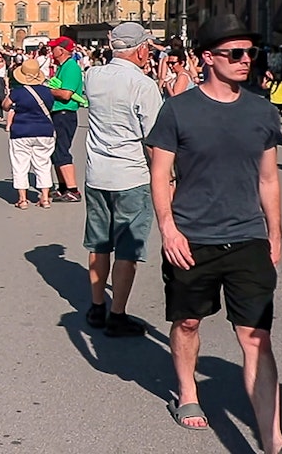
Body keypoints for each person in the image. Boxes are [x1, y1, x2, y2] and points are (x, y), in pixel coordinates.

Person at [147, 14, 282, 453]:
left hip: (247, 238)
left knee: (256, 336)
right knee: (188, 320)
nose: (244, 61)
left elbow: (268, 178)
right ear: (207, 58)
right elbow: (160, 175)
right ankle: (189, 392)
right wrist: (168, 229)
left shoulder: (261, 110)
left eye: (249, 53)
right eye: (234, 53)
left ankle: (275, 441)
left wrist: (275, 233)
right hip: (192, 237)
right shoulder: (178, 109)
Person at [81, 22, 164, 338]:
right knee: (128, 249)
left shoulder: (93, 76)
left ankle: (97, 304)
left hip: (97, 173)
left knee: (99, 243)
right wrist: (167, 179)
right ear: (141, 49)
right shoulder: (143, 85)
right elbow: (154, 138)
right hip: (130, 174)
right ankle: (118, 314)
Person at [3, 59, 55, 209]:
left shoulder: (17, 92)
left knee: (20, 165)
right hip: (44, 131)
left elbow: (5, 105)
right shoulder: (47, 91)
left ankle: (23, 199)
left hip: (21, 131)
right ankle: (45, 198)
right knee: (43, 164)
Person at [48, 36, 84, 202]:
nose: (51, 50)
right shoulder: (62, 67)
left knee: (62, 150)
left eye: (53, 47)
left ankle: (73, 189)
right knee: (55, 151)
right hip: (58, 113)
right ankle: (62, 187)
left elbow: (65, 94)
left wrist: (47, 91)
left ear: (61, 50)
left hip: (65, 113)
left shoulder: (71, 67)